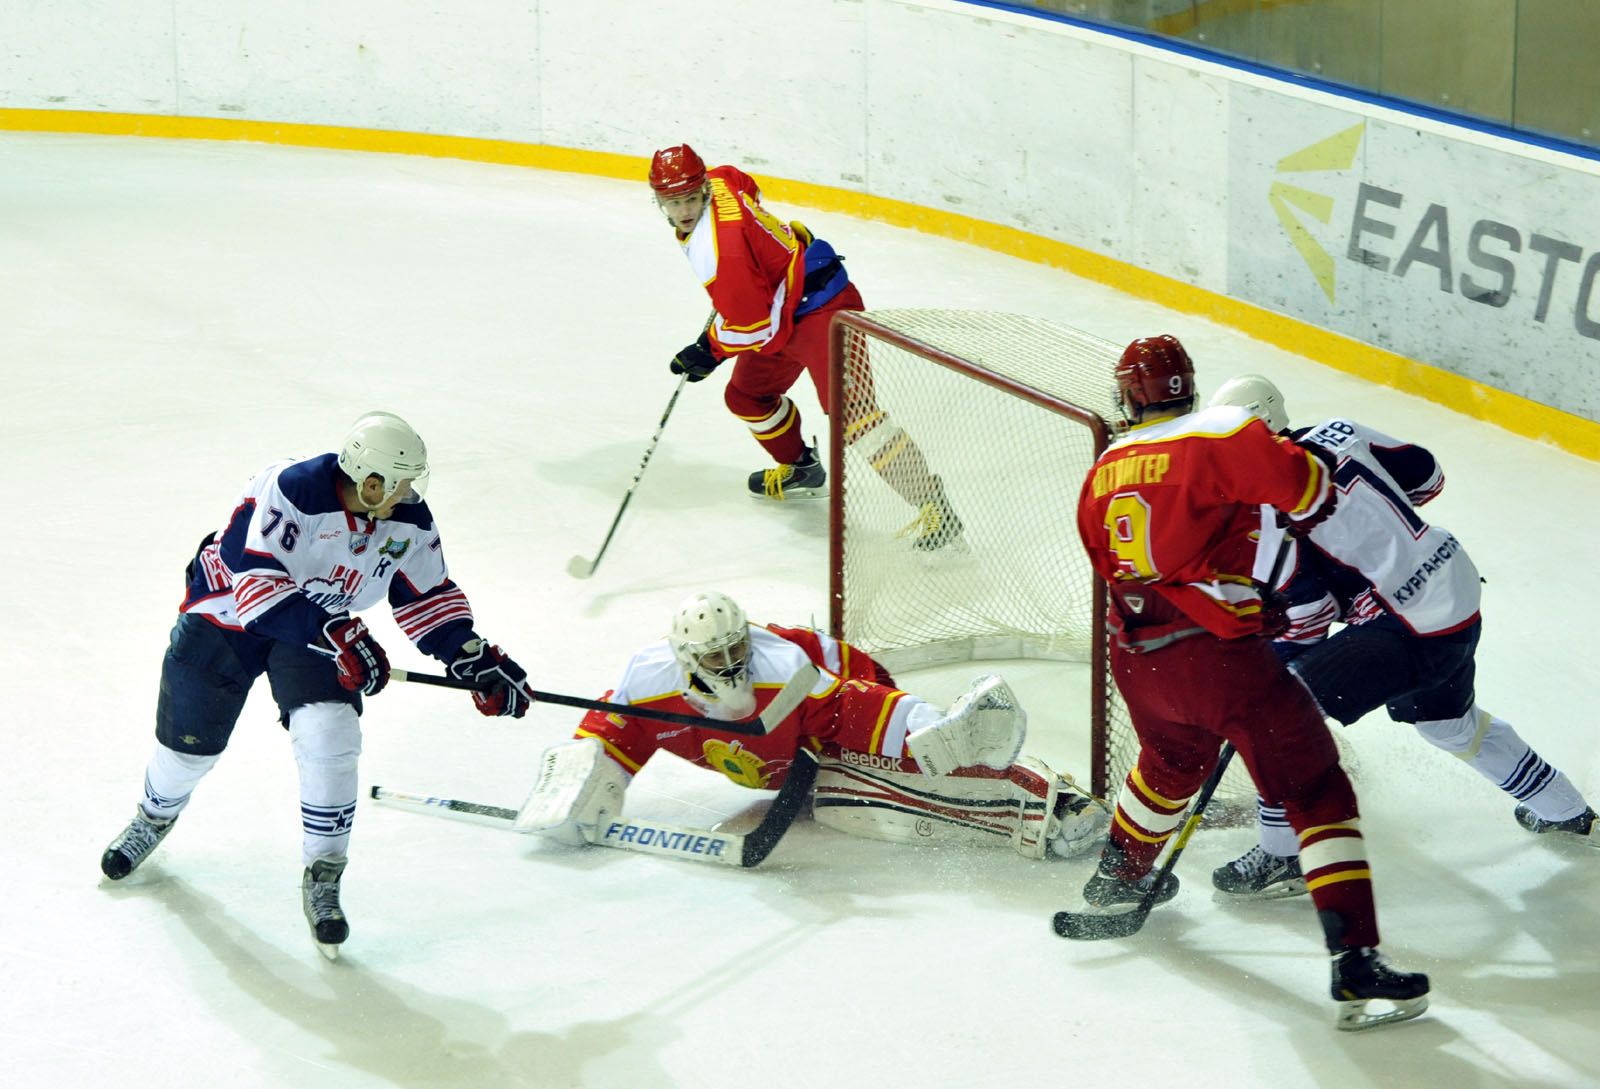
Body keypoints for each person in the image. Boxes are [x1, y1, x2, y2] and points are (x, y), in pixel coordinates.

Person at [1075, 335, 1429, 1031]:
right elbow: (1311, 490)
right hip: (1221, 659)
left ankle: (1116, 876)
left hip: (1136, 654)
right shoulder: (1221, 432)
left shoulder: (1103, 469)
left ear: (1128, 397)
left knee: (1171, 761)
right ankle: (1356, 962)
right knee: (1315, 788)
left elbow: (1106, 561)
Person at [99, 411, 536, 956]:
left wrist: (468, 654)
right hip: (228, 616)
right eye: (401, 482)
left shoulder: (407, 519)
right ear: (370, 481)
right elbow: (257, 589)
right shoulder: (294, 489)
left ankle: (324, 874)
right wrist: (340, 635)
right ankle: (154, 816)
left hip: (320, 628)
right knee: (189, 748)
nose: (411, 493)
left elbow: (426, 595)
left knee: (332, 737)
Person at [1205, 374, 1596, 899]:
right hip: (1452, 582)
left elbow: (1311, 616)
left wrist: (1267, 667)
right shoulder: (1337, 431)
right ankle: (1566, 811)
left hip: (1407, 623)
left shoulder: (1273, 514)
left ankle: (1283, 856)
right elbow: (1427, 477)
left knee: (1275, 716)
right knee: (1449, 725)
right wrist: (1376, 536)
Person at [517, 590, 1109, 861]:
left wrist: (937, 731)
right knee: (845, 799)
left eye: (734, 650)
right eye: (713, 658)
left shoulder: (785, 672)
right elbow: (610, 734)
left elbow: (862, 710)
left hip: (843, 687)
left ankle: (1054, 805)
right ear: (686, 659)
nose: (729, 665)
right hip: (785, 754)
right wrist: (576, 792)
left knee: (878, 788)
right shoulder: (649, 682)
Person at [648, 143, 961, 549]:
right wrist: (765, 249)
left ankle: (936, 509)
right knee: (746, 395)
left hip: (824, 314)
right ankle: (802, 469)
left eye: (691, 198)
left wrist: (708, 350)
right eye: (673, 202)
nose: (685, 210)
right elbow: (748, 186)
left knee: (857, 421)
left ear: (703, 188)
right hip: (783, 306)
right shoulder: (721, 181)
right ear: (659, 201)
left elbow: (754, 325)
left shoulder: (718, 251)